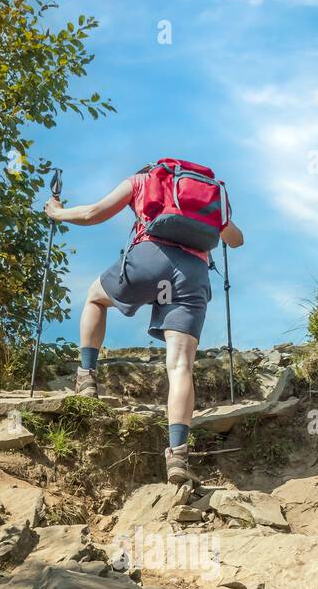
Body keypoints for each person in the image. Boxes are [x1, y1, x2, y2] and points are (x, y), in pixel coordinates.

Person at [44, 162, 244, 484]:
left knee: (96, 298)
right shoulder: (203, 201)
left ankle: (87, 376)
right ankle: (178, 456)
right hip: (192, 275)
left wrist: (56, 213)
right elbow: (236, 240)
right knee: (180, 366)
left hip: (148, 260)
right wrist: (222, 232)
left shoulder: (142, 181)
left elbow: (92, 213)